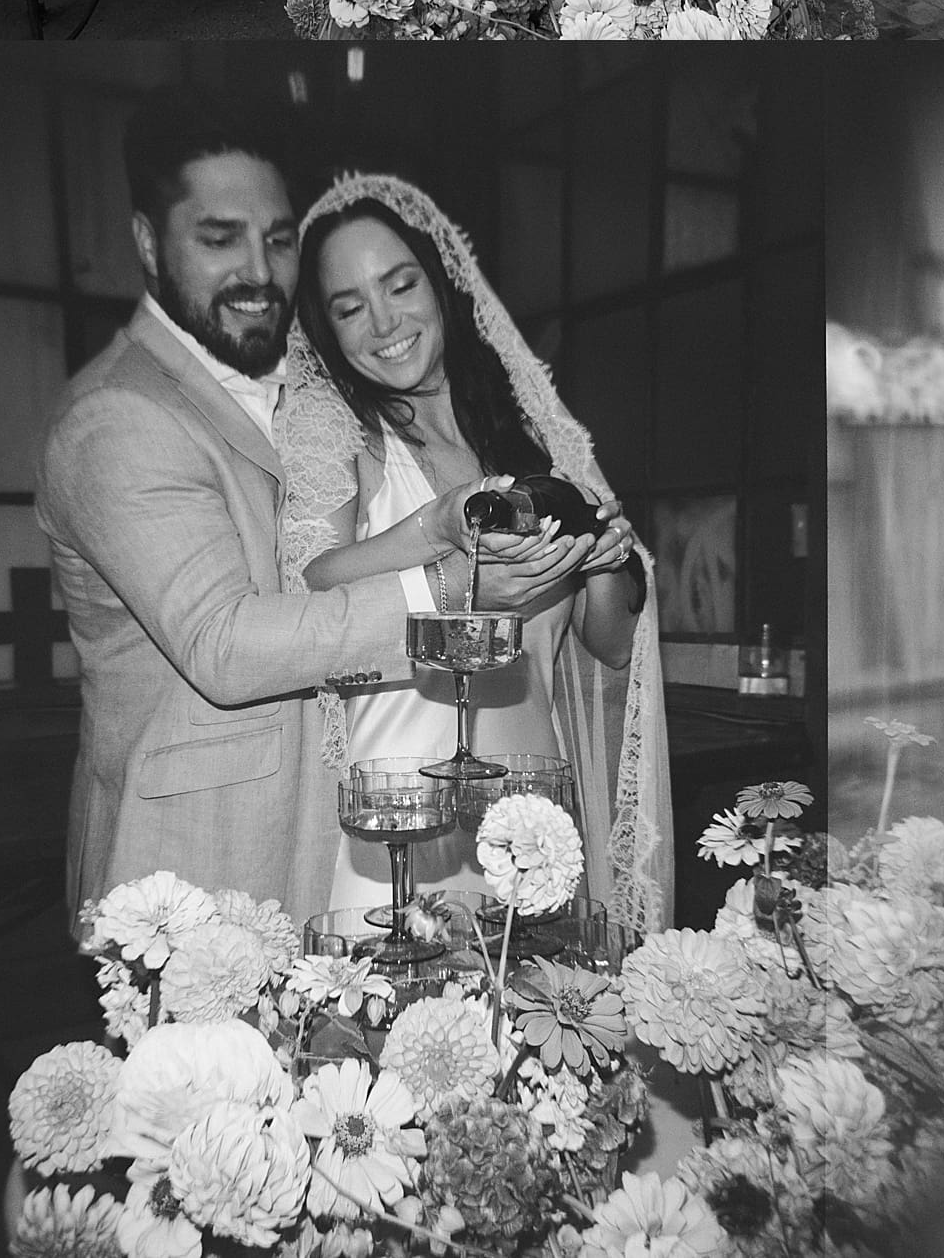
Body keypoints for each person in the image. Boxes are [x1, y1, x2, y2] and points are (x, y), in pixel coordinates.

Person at [36, 90, 565, 936]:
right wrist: (447, 595)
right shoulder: (119, 417)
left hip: (330, 843)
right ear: (146, 242)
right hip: (194, 876)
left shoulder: (292, 380)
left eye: (277, 239)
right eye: (219, 238)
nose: (258, 269)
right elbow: (225, 645)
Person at [276, 173, 674, 931]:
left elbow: (612, 645)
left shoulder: (527, 442)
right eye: (350, 306)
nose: (384, 322)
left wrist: (596, 564)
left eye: (400, 285)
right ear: (325, 328)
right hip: (403, 817)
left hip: (530, 809)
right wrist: (428, 529)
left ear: (442, 285)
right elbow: (312, 587)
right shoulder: (343, 435)